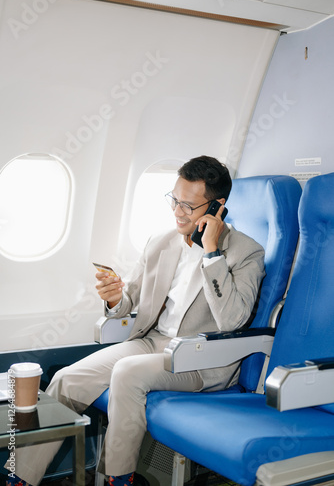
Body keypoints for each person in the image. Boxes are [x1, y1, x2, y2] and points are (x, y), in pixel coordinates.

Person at [6, 156, 265, 486]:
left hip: (203, 358)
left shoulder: (245, 252)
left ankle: (117, 479)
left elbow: (232, 320)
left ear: (217, 206)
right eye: (174, 200)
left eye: (188, 205)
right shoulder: (162, 242)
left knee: (127, 373)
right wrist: (114, 297)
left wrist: (211, 253)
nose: (177, 212)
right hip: (153, 342)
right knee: (67, 379)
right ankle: (20, 478)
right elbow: (131, 300)